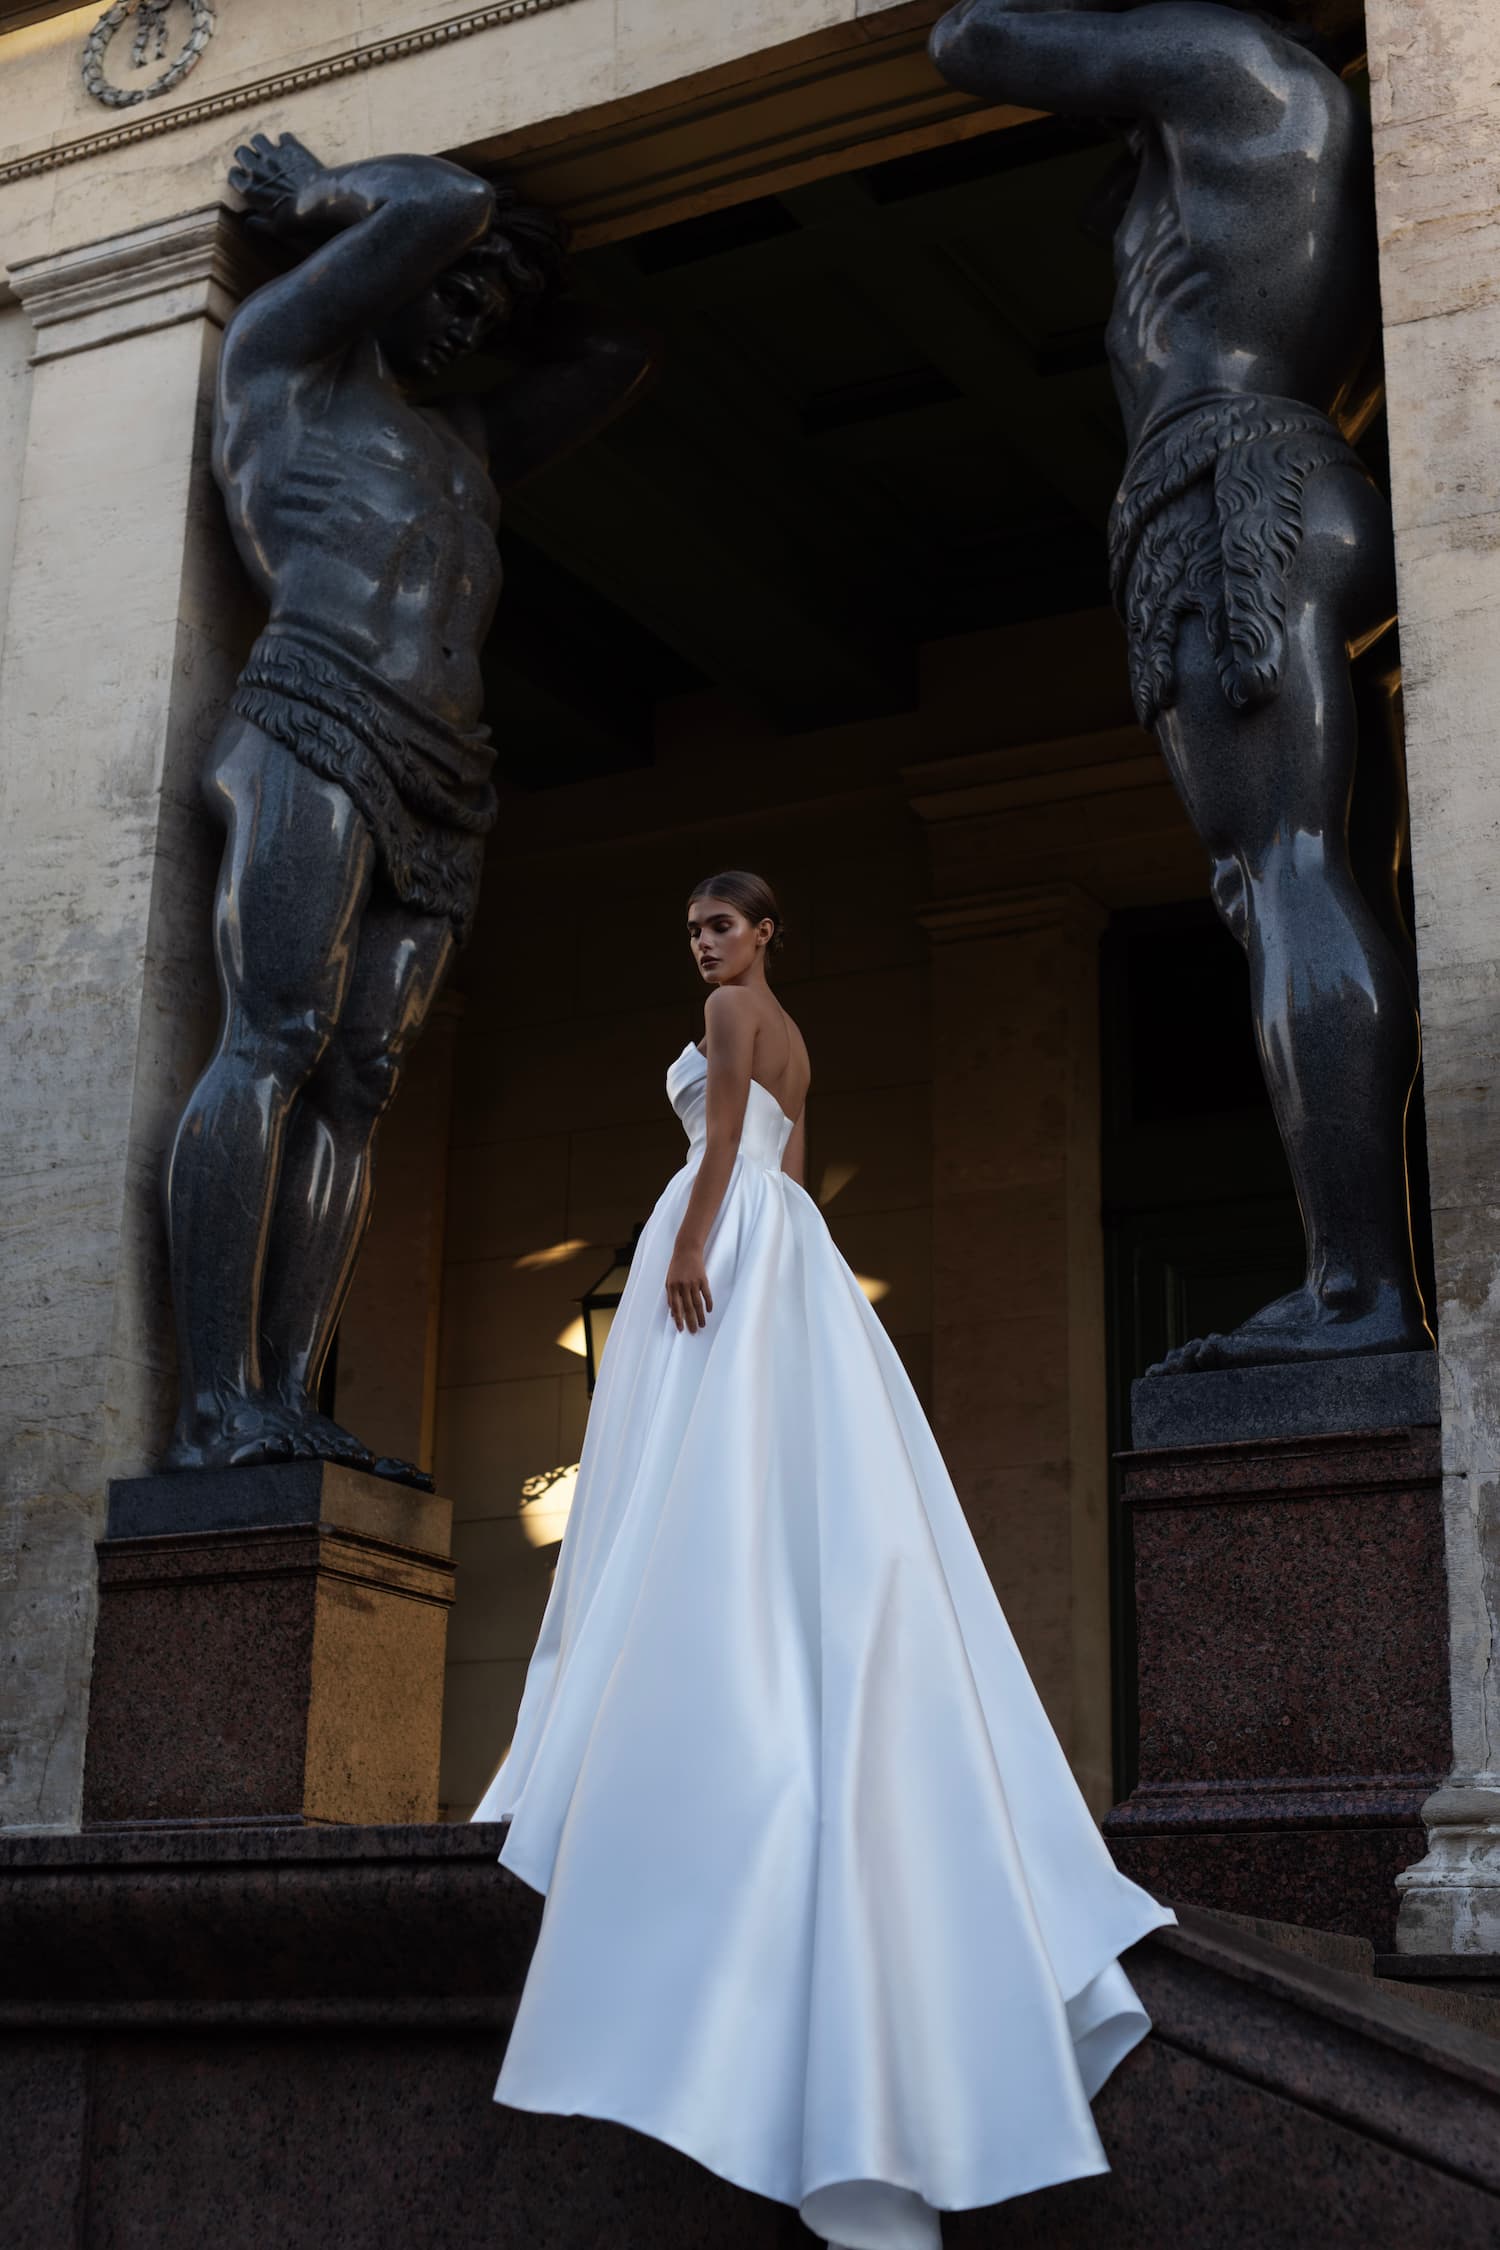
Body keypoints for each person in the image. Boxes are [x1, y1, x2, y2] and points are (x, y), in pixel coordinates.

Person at [474, 872, 1172, 2250]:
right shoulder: (797, 1029)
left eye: (719, 928)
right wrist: (771, 1260)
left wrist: (684, 1241)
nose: (704, 949)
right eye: (690, 931)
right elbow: (792, 1171)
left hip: (725, 1228)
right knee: (776, 1476)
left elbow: (734, 1143)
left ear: (764, 932)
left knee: (694, 1480)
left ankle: (655, 1692)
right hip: (787, 1244)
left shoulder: (736, 1016)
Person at [929, 1, 1433, 1376]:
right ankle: (1368, 1274)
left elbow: (971, 37)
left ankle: (1354, 1288)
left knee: (1282, 870)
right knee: (1309, 872)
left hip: (1227, 486)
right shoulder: (1271, 104)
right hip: (1299, 469)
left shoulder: (1225, 59)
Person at [162, 134, 655, 1480]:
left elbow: (614, 361)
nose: (468, 324)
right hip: (315, 712)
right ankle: (215, 1404)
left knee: (361, 1080)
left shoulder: (466, 443)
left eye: (487, 313)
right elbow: (445, 197)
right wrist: (328, 200)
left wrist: (515, 280)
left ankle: (292, 1395)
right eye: (454, 293)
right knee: (276, 1032)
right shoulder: (286, 365)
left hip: (447, 767)